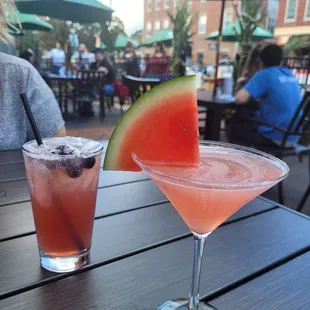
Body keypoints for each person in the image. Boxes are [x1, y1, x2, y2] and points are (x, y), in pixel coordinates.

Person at [235, 44, 301, 147]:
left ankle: (245, 159)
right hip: (294, 136)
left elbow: (239, 99)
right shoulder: (289, 73)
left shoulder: (265, 74)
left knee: (235, 122)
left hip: (276, 136)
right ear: (280, 60)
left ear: (260, 61)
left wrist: (241, 82)